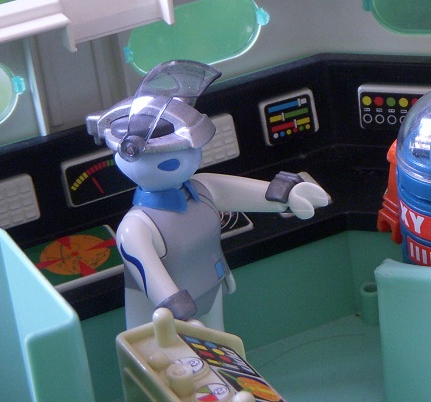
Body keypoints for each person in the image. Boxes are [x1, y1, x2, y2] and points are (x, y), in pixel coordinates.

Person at [88, 60, 329, 330]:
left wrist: (288, 193)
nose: (191, 156)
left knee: (222, 348)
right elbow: (152, 279)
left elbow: (248, 192)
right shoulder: (135, 228)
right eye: (176, 151)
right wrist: (179, 314)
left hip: (211, 291)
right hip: (160, 322)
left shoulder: (201, 188)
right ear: (130, 154)